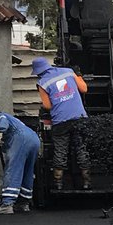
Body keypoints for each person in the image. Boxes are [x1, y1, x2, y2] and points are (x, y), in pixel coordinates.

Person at [32, 56, 91, 191]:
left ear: (38, 71)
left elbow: (47, 105)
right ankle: (87, 182)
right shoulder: (68, 71)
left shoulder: (42, 83)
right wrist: (79, 76)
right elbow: (84, 89)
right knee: (81, 149)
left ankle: (58, 184)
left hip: (60, 121)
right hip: (79, 117)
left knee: (60, 151)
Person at [0, 112, 40, 214]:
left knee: (13, 169)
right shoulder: (14, 121)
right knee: (27, 171)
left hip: (21, 138)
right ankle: (24, 202)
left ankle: (7, 204)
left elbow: (2, 119)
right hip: (33, 138)